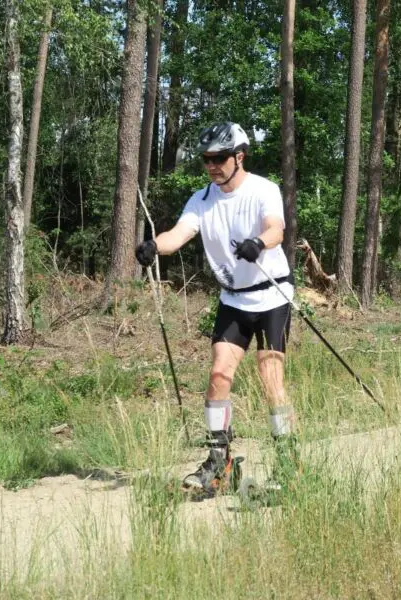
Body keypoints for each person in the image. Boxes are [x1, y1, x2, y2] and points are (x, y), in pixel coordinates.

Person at [135, 122, 297, 494]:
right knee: (219, 375)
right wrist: (154, 247)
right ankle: (218, 462)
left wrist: (259, 242)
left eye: (219, 158)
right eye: (206, 159)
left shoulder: (262, 190)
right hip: (234, 298)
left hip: (272, 294)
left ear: (239, 157)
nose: (212, 166)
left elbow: (277, 229)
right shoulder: (202, 199)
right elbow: (179, 234)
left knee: (270, 374)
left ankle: (288, 465)